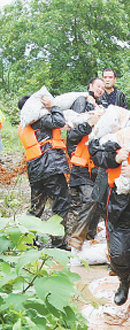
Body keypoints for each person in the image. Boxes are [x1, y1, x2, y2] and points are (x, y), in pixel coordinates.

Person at [89, 101, 130, 308]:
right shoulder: (114, 137)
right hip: (117, 206)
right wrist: (116, 158)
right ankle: (124, 280)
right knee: (119, 253)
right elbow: (96, 153)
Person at [18, 94, 70, 247]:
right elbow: (60, 121)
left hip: (35, 169)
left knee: (36, 207)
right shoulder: (41, 119)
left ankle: (28, 242)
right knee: (60, 205)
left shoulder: (24, 124)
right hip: (51, 166)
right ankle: (59, 244)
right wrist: (54, 106)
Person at [67, 77, 106, 250]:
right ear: (90, 86)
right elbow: (72, 136)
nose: (101, 89)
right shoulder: (81, 106)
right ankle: (76, 238)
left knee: (98, 202)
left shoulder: (104, 111)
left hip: (97, 167)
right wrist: (90, 123)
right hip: (81, 167)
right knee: (91, 198)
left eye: (103, 88)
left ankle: (90, 236)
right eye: (99, 86)